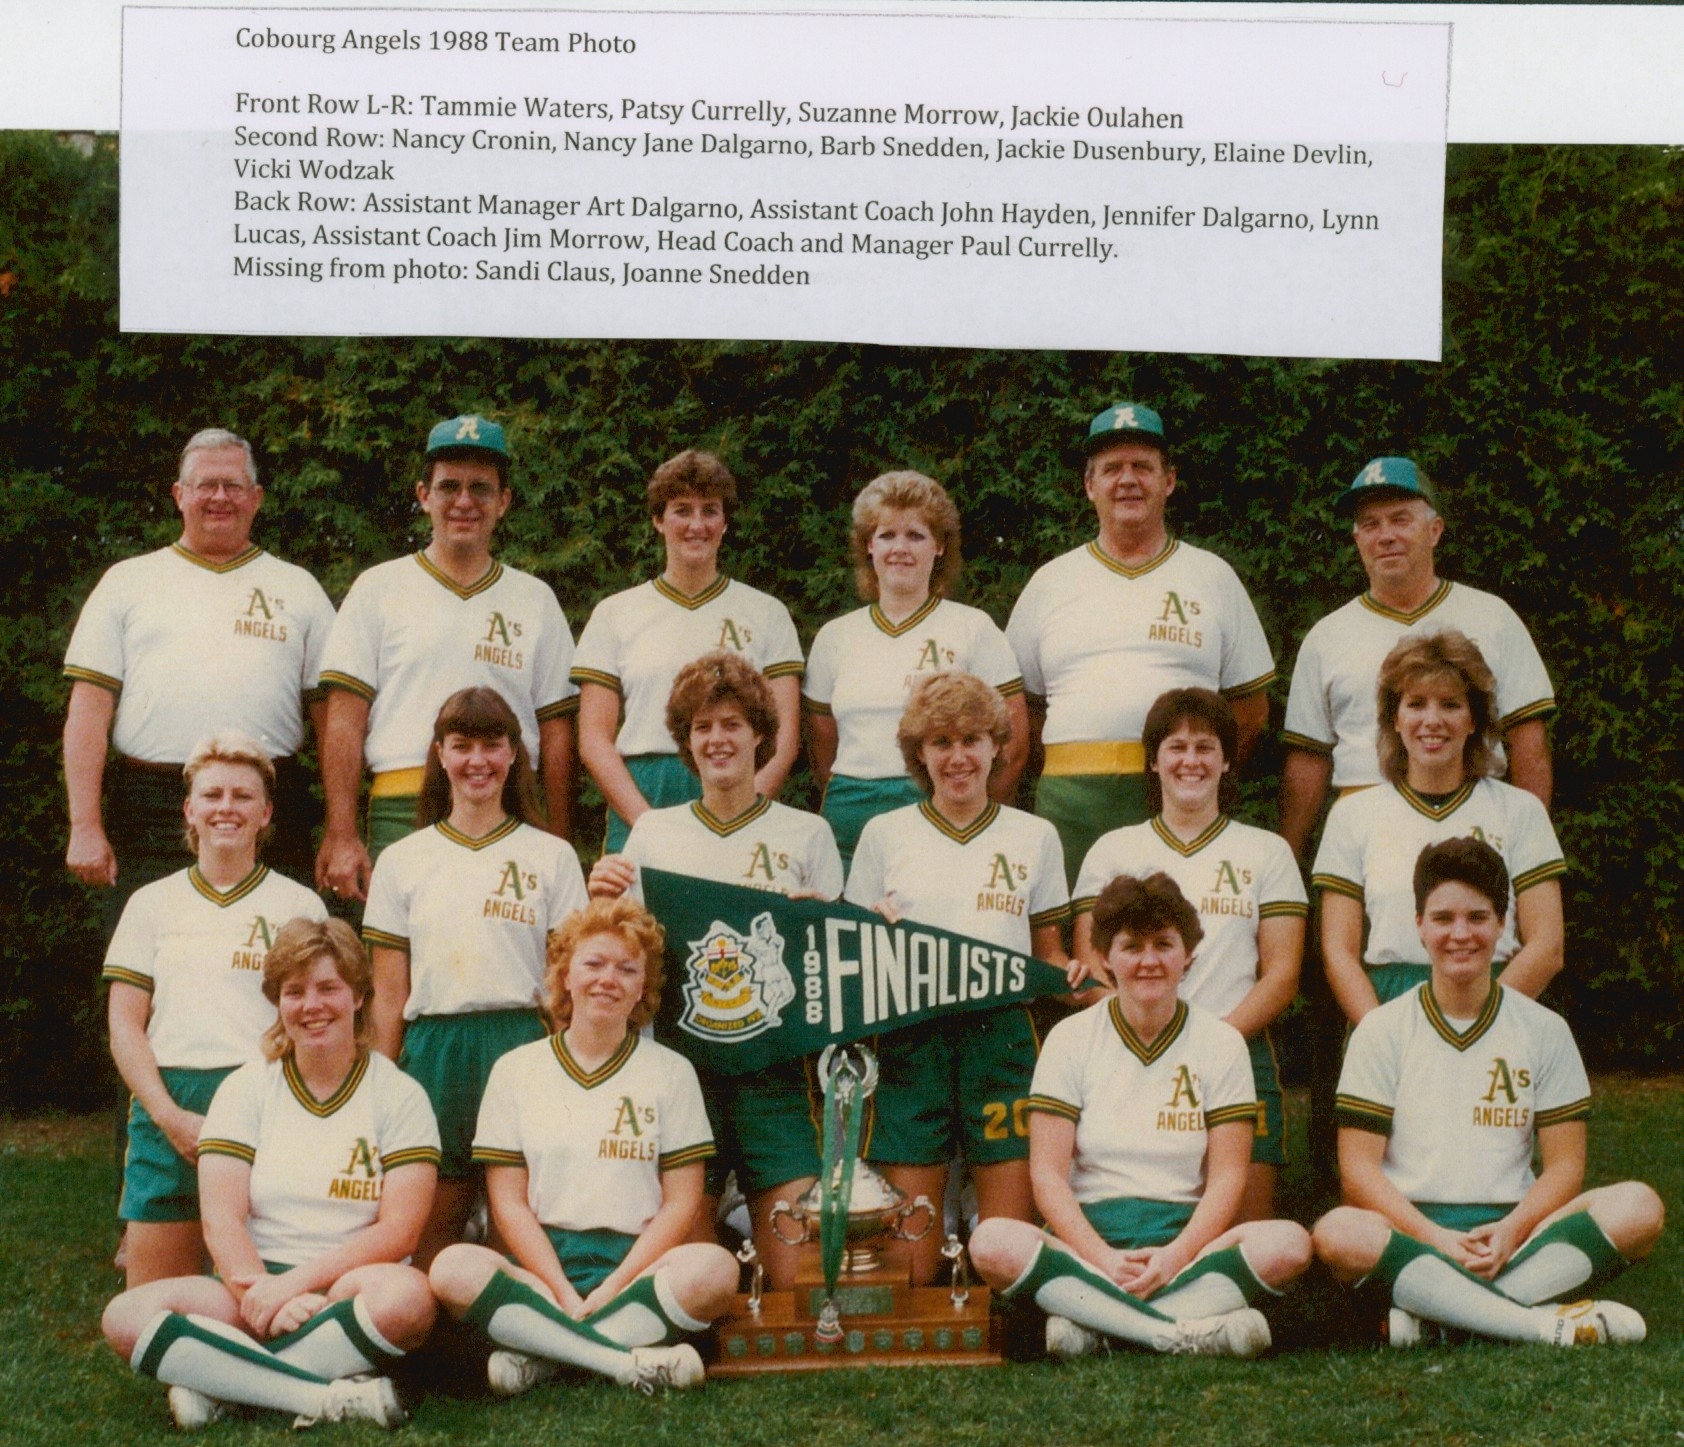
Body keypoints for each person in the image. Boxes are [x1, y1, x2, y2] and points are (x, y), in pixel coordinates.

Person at [1312, 838, 1662, 1348]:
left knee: (1639, 1207)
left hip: (1516, 1234)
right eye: (1443, 918)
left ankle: (1440, 1321)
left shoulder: (1545, 1030)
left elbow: (1566, 1166)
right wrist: (1435, 1239)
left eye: (1478, 917)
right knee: (1337, 1233)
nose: (1460, 934)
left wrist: (1512, 1231)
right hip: (1414, 1236)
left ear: (1503, 926)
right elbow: (1358, 1170)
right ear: (1418, 925)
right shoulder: (1380, 1030)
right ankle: (1538, 1323)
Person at [100, 917, 440, 1431]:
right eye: (294, 991)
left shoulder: (400, 1095)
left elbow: (399, 1231)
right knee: (123, 1316)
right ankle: (328, 1395)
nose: (312, 1005)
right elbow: (223, 1221)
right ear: (277, 1002)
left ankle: (226, 1386)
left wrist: (298, 1288)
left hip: (344, 1290)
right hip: (250, 1286)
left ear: (358, 997)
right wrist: (261, 1295)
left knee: (409, 1299)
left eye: (329, 988)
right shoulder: (245, 1088)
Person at [969, 873, 1312, 1359]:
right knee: (991, 1240)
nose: (1149, 961)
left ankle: (1098, 1326)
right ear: (1105, 958)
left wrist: (1173, 1258)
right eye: (1132, 947)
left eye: (1164, 945)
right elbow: (1047, 1175)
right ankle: (1180, 1331)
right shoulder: (1072, 1038)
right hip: (1090, 1244)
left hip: (1187, 1244)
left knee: (1289, 1244)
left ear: (1188, 956)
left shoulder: (1222, 1043)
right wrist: (1105, 1259)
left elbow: (1227, 1179)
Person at [589, 651, 843, 1288]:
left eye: (731, 724)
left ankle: (750, 1224)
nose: (717, 739)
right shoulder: (650, 834)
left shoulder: (807, 835)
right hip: (684, 1077)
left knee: (799, 1280)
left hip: (776, 1076)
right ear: (686, 741)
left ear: (760, 734)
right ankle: (724, 1230)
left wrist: (827, 924)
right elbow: (620, 959)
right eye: (703, 727)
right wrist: (599, 904)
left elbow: (836, 975)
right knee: (693, 1275)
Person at [429, 897, 738, 1398]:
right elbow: (508, 1203)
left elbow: (682, 1203)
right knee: (450, 1268)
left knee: (716, 1270)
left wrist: (614, 1286)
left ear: (643, 987)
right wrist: (560, 1291)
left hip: (638, 1265)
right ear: (565, 975)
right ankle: (622, 1359)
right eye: (592, 964)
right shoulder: (516, 1070)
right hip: (543, 1266)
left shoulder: (671, 1072)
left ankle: (546, 1357)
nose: (607, 979)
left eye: (626, 969)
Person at [844, 671, 1070, 1284]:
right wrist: (869, 931)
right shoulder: (883, 835)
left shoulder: (1035, 836)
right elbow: (854, 965)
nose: (958, 756)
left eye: (972, 738)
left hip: (1002, 1040)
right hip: (910, 1040)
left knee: (1008, 1251)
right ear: (919, 752)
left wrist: (1080, 979)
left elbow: (1049, 954)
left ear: (998, 744)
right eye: (940, 741)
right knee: (910, 1267)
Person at [64, 427, 334, 931]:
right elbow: (88, 712)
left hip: (269, 806)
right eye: (205, 484)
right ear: (179, 495)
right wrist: (84, 825)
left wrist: (341, 827)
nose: (218, 497)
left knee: (276, 966)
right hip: (149, 810)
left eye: (233, 486)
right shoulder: (126, 583)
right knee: (146, 969)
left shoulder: (298, 588)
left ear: (256, 498)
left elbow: (334, 719)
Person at [362, 687, 587, 1262]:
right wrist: (378, 1092)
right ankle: (429, 1344)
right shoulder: (403, 860)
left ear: (514, 755)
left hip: (523, 1042)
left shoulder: (552, 856)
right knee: (429, 1219)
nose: (477, 761)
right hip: (436, 1050)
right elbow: (389, 997)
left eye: (492, 744)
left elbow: (570, 988)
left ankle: (514, 1345)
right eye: (461, 746)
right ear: (439, 755)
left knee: (522, 1221)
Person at [1006, 403, 1274, 885]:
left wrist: (1189, 768)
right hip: (1072, 803)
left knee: (1177, 941)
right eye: (1111, 469)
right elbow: (1019, 710)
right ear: (1090, 487)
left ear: (1168, 480)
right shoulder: (1050, 583)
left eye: (1142, 467)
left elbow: (1250, 710)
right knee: (1073, 945)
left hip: (1179, 793)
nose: (1127, 480)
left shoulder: (1212, 577)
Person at [316, 414, 578, 902]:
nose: (463, 502)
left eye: (480, 489)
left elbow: (558, 733)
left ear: (503, 502)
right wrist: (342, 833)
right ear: (423, 496)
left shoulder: (535, 599)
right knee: (398, 966)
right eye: (449, 486)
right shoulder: (378, 588)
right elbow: (344, 723)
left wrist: (559, 838)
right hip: (402, 803)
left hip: (509, 802)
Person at [104, 733, 329, 1287]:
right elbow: (125, 1025)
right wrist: (168, 1117)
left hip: (264, 1099)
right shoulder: (150, 903)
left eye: (243, 796)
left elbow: (318, 1021)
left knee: (260, 1292)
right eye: (212, 795)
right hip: (171, 1100)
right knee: (154, 1304)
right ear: (190, 809)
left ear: (266, 812)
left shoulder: (298, 906)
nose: (226, 807)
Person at [1071, 689, 1305, 1221]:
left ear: (1227, 759)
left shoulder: (1265, 852)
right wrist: (1153, 1042)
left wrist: (1210, 1046)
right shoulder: (1113, 850)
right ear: (1153, 761)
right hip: (1131, 1058)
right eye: (1176, 747)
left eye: (1206, 746)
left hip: (1238, 1051)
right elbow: (1089, 966)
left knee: (1244, 1237)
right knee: (1137, 1221)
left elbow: (1282, 973)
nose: (1191, 761)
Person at [1280, 456, 1554, 858]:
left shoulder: (1492, 618)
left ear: (1434, 530)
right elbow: (1307, 762)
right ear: (1357, 540)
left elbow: (1528, 742)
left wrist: (1533, 850)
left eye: (1400, 519)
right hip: (1365, 833)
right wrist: (1287, 867)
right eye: (1370, 524)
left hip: (1473, 824)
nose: (1385, 536)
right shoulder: (1326, 637)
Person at [1313, 631, 1565, 1026]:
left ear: (1474, 720)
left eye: (1450, 704)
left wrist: (1481, 1025)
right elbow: (1339, 952)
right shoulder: (1353, 815)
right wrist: (1380, 1036)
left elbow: (1547, 946)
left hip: (1498, 1004)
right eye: (1416, 704)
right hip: (1386, 1006)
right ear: (1394, 718)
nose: (1432, 720)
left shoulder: (1519, 810)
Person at [572, 449, 803, 853]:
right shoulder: (615, 613)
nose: (697, 525)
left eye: (709, 511)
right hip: (646, 794)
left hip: (738, 789)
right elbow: (594, 738)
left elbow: (783, 736)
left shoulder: (767, 613)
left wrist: (745, 815)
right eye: (682, 510)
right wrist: (646, 824)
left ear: (725, 522)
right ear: (658, 520)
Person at [805, 469, 1026, 870]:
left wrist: (970, 817)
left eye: (916, 535)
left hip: (942, 811)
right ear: (868, 545)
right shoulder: (835, 637)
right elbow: (823, 742)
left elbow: (1013, 742)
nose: (899, 548)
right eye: (887, 535)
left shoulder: (974, 629)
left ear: (940, 546)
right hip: (848, 823)